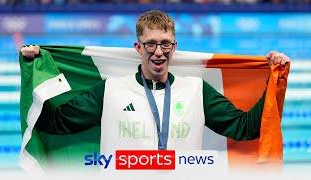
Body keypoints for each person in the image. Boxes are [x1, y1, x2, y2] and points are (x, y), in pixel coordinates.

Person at [21, 10, 290, 152]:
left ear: (175, 46)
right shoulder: (111, 90)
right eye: (150, 44)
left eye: (165, 44)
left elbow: (246, 128)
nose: (158, 52)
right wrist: (35, 68)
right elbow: (52, 122)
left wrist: (274, 81)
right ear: (138, 47)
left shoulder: (196, 90)